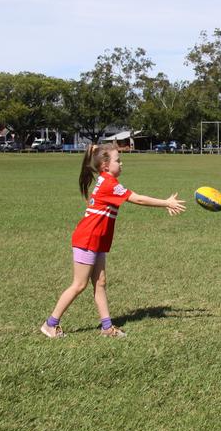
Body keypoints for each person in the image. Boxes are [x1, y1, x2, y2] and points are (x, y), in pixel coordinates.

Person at [41, 143, 186, 338]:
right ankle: (50, 324)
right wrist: (166, 202)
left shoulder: (106, 179)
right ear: (105, 165)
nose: (121, 163)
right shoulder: (109, 183)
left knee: (100, 282)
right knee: (79, 284)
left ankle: (107, 328)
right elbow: (138, 199)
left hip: (97, 239)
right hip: (88, 238)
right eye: (118, 160)